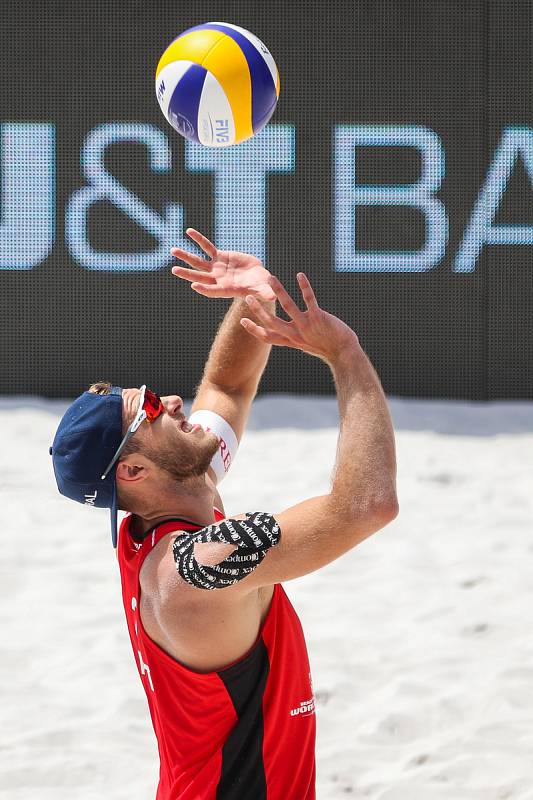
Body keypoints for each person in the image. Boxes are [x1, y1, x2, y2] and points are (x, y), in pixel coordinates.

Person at [50, 228, 398, 800]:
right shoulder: (198, 568)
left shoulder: (172, 500)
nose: (177, 402)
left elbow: (227, 384)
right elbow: (367, 505)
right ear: (133, 472)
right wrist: (347, 356)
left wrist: (252, 298)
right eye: (155, 409)